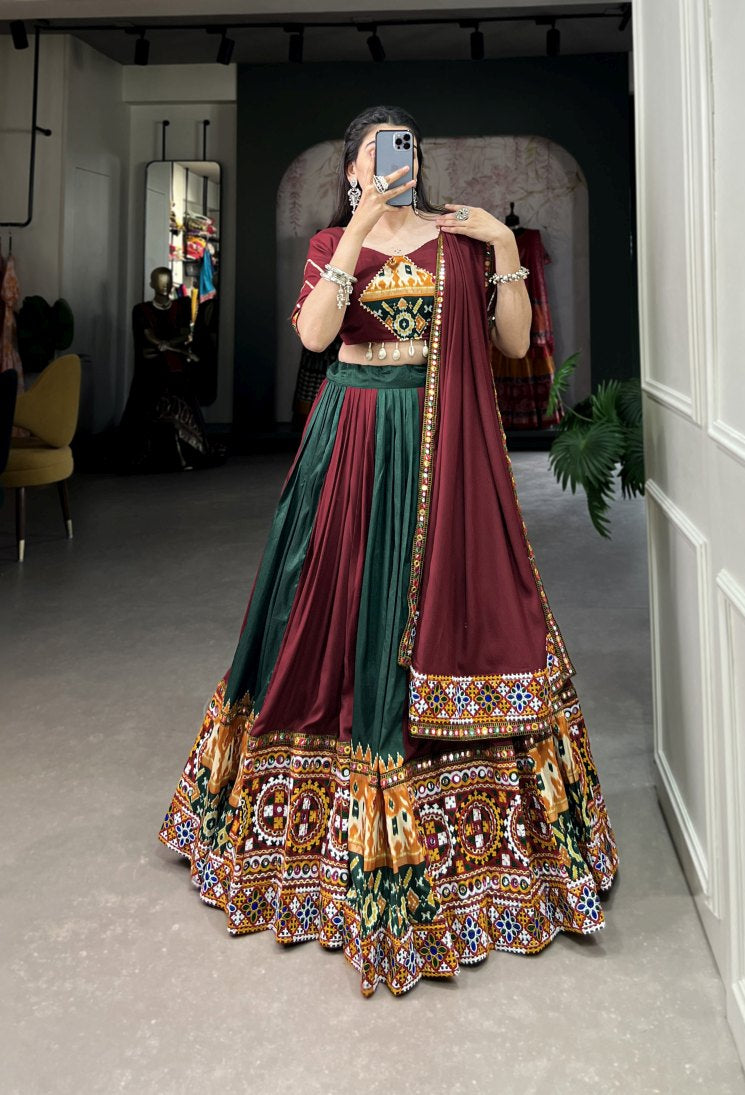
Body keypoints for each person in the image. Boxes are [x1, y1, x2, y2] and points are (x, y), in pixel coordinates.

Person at [158, 106, 619, 997]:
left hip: (441, 445)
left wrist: (504, 248)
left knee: (447, 605)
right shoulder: (332, 240)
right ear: (351, 169)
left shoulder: (459, 244)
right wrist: (359, 228)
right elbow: (314, 336)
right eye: (375, 153)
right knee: (328, 605)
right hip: (352, 439)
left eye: (404, 148)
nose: (392, 162)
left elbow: (512, 344)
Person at [118, 267, 224, 472]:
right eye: (159, 281)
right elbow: (147, 336)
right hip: (152, 368)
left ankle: (187, 449)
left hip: (176, 367)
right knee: (147, 400)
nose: (164, 285)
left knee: (182, 396)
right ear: (152, 284)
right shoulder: (141, 310)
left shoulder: (181, 306)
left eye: (167, 281)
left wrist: (167, 344)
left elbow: (184, 334)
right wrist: (160, 344)